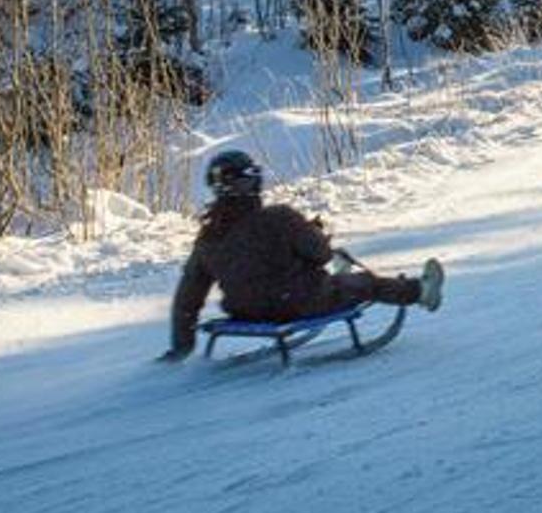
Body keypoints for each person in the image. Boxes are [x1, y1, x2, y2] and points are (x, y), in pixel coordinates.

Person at [160, 150, 444, 362]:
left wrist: (181, 345)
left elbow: (188, 295)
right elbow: (321, 254)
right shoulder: (279, 218)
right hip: (299, 303)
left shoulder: (208, 238)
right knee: (367, 283)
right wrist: (312, 232)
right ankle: (421, 291)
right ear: (252, 184)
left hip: (246, 312)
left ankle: (342, 283)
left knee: (325, 282)